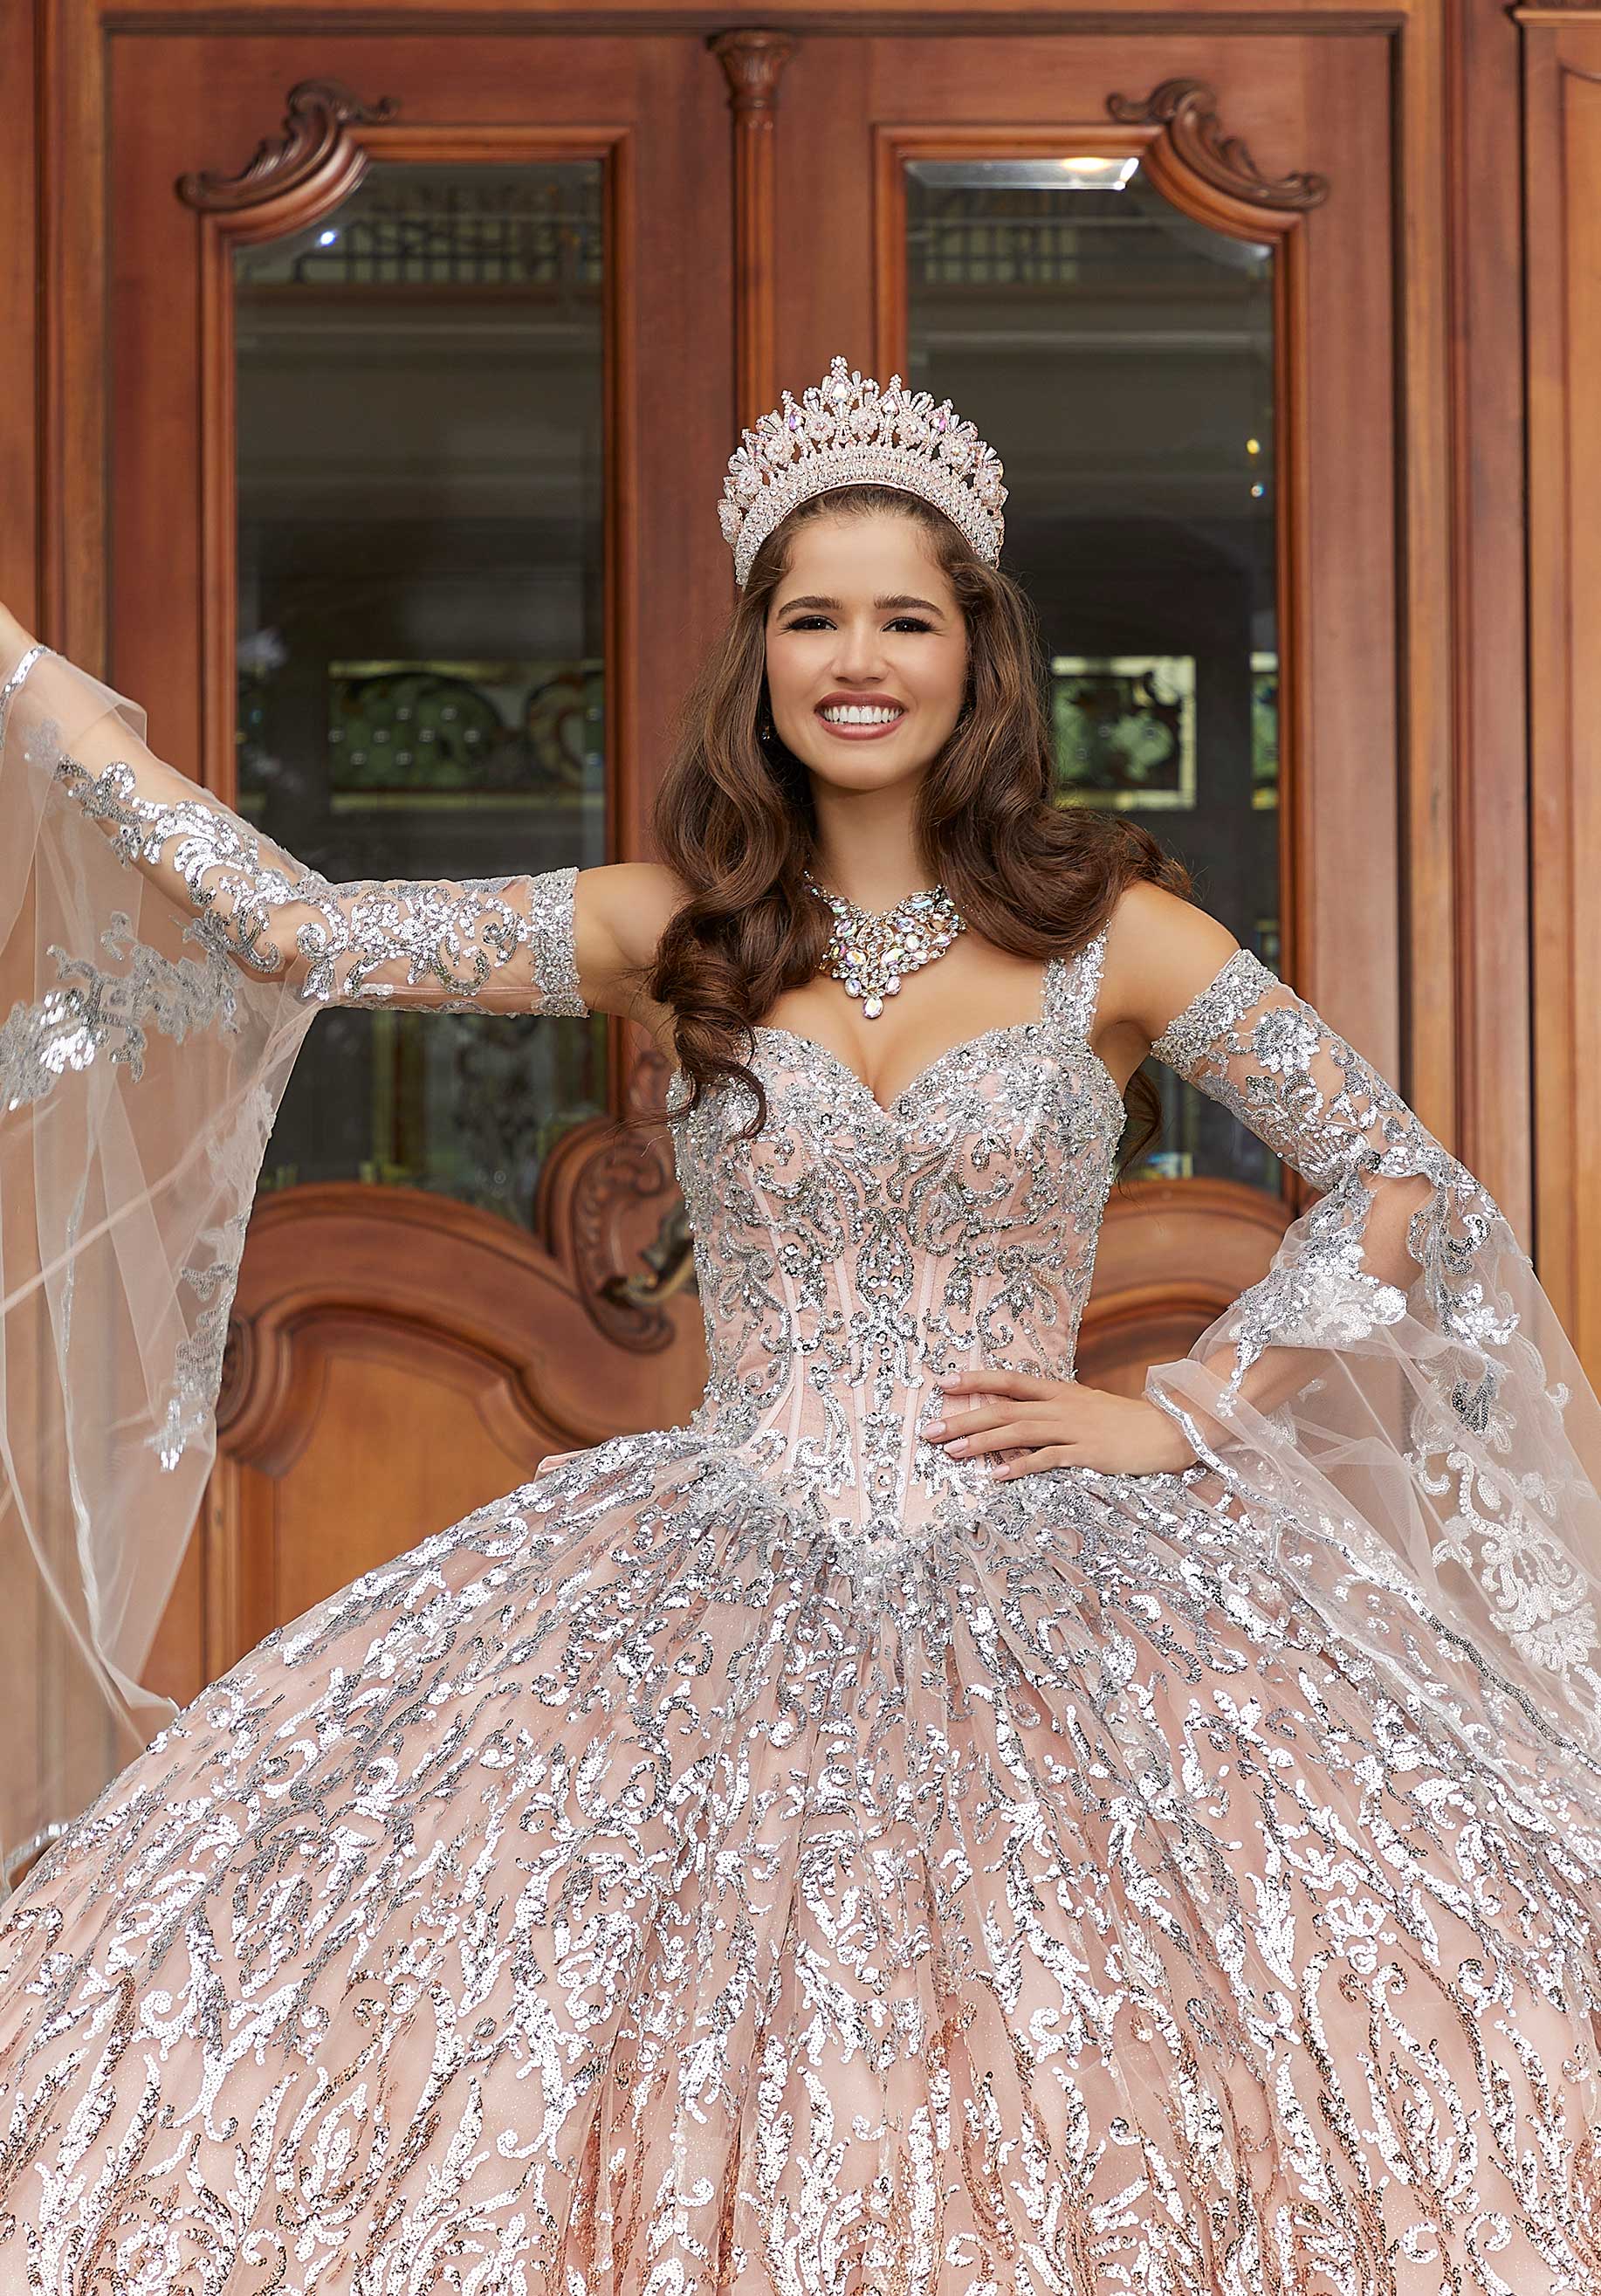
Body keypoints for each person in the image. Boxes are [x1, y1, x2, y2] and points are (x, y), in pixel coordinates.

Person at [0, 354, 1599, 2293]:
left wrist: (1182, 1409)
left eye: (904, 618)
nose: (858, 659)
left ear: (973, 654)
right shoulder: (667, 925)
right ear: (758, 656)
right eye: (811, 617)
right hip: (714, 1553)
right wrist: (43, 700)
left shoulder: (1115, 937)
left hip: (1061, 1591)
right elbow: (295, 932)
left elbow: (1394, 1176)